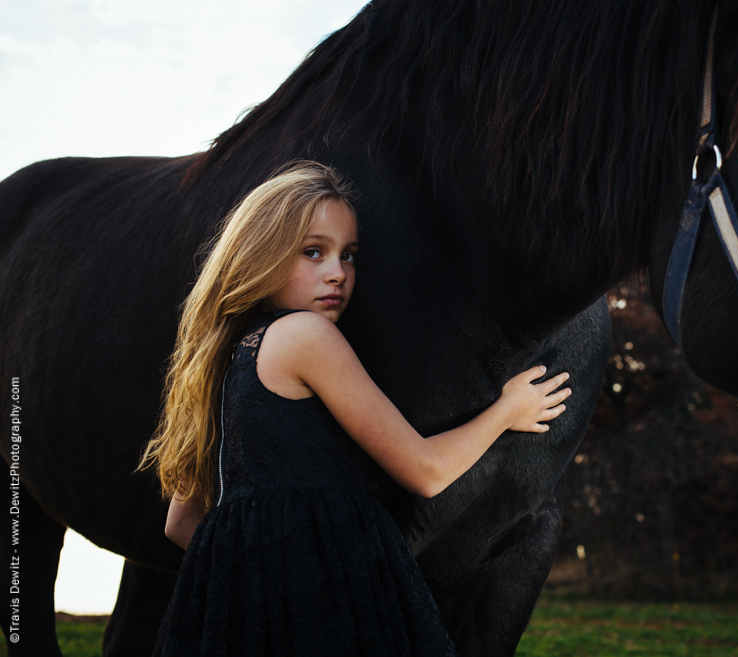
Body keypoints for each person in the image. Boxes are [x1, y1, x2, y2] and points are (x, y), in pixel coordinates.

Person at [137, 161, 572, 656]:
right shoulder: (306, 336)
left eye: (349, 255)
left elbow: (181, 523)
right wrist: (510, 409)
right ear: (261, 253)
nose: (337, 273)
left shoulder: (221, 360)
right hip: (335, 603)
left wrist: (254, 593)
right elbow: (426, 471)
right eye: (313, 252)